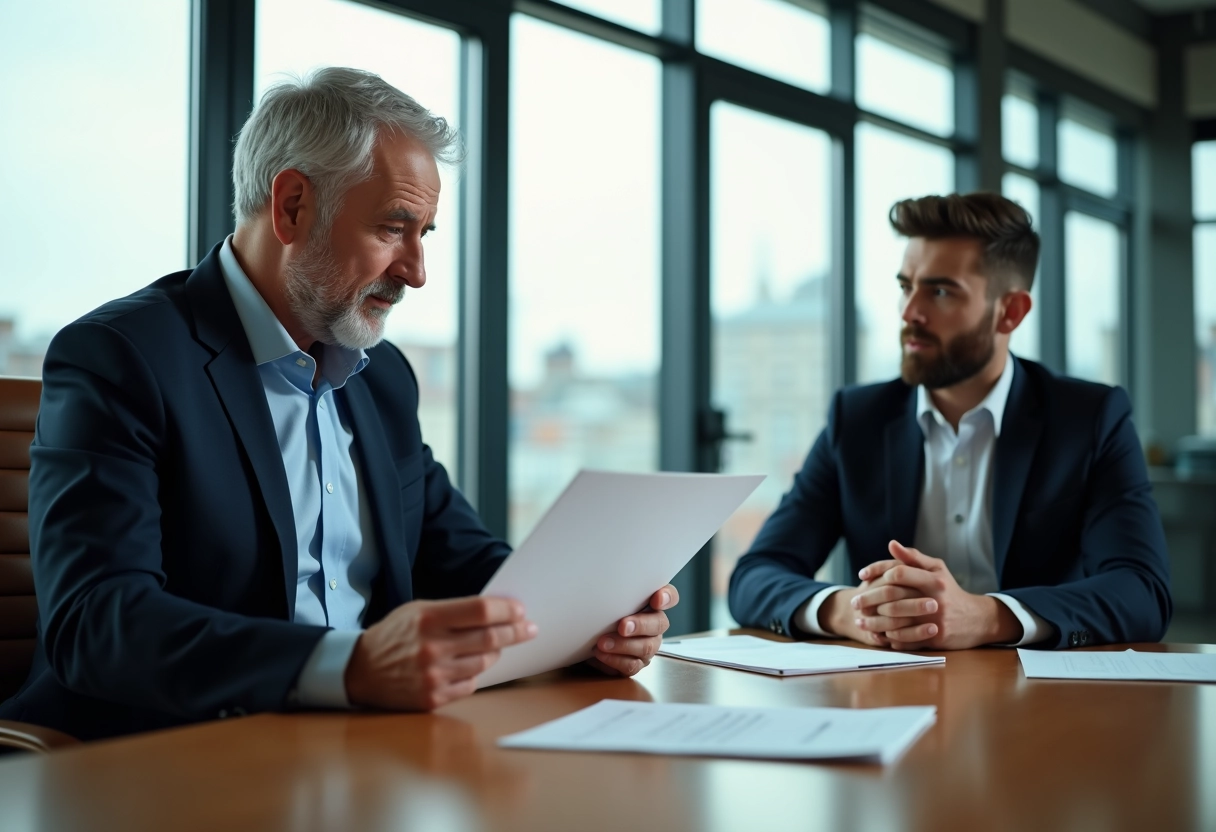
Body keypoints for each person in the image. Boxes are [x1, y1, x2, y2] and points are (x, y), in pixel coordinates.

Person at [0, 68, 676, 740]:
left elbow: (466, 563)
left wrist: (585, 622)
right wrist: (348, 666)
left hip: (361, 749)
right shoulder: (122, 356)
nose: (415, 271)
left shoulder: (382, 380)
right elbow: (96, 623)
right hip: (165, 756)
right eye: (392, 229)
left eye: (425, 235)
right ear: (292, 205)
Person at [728, 192, 1171, 651]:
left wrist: (986, 616)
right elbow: (755, 575)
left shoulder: (1090, 419)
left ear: (1010, 312)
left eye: (939, 292)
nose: (909, 313)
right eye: (905, 286)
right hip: (892, 698)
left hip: (1039, 702)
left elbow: (1143, 592)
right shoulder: (857, 419)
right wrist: (851, 610)